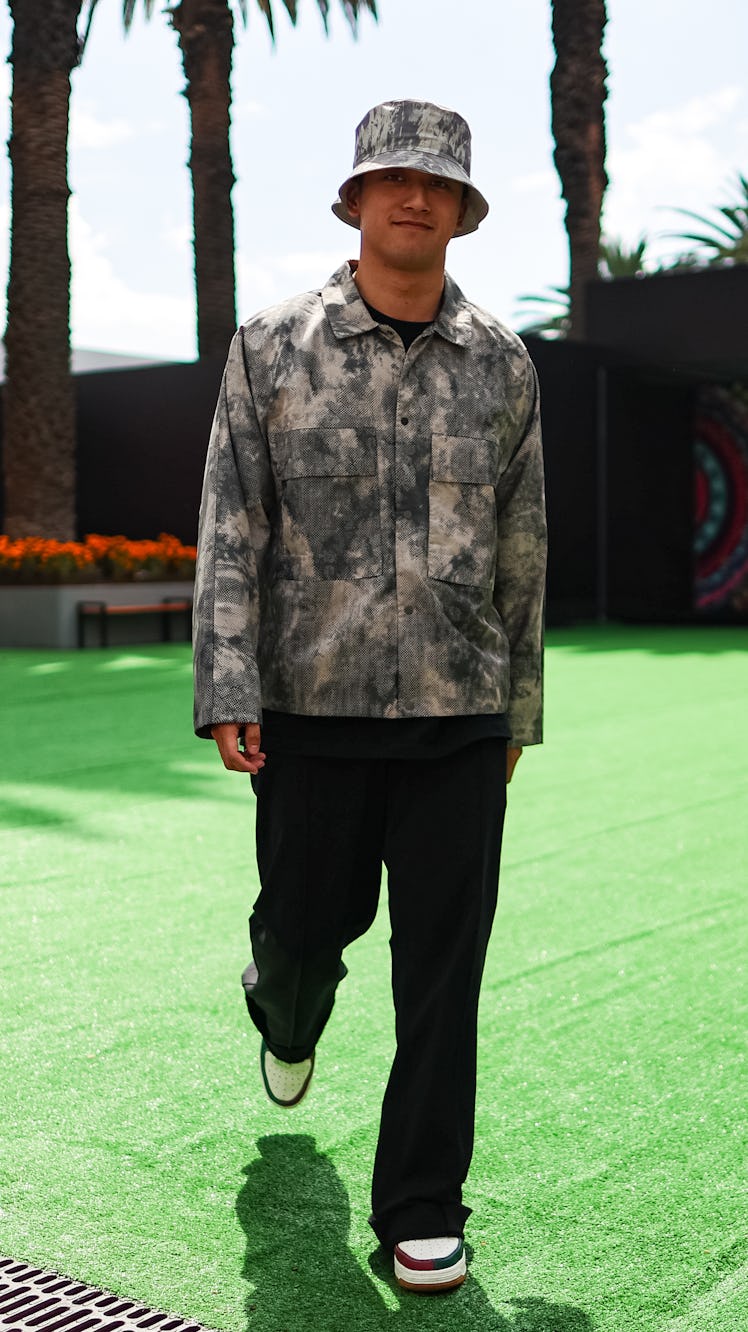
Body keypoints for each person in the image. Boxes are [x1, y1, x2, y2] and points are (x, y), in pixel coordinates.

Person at [193, 99, 547, 1294]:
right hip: (312, 709)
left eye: (437, 184)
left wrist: (517, 713)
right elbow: (233, 525)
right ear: (353, 201)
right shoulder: (270, 346)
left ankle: (421, 1207)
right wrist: (227, 682)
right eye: (392, 179)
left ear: (460, 210)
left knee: (442, 973)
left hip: (459, 713)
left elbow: (522, 553)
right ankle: (283, 1008)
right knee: (304, 930)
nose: (414, 198)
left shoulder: (503, 365)